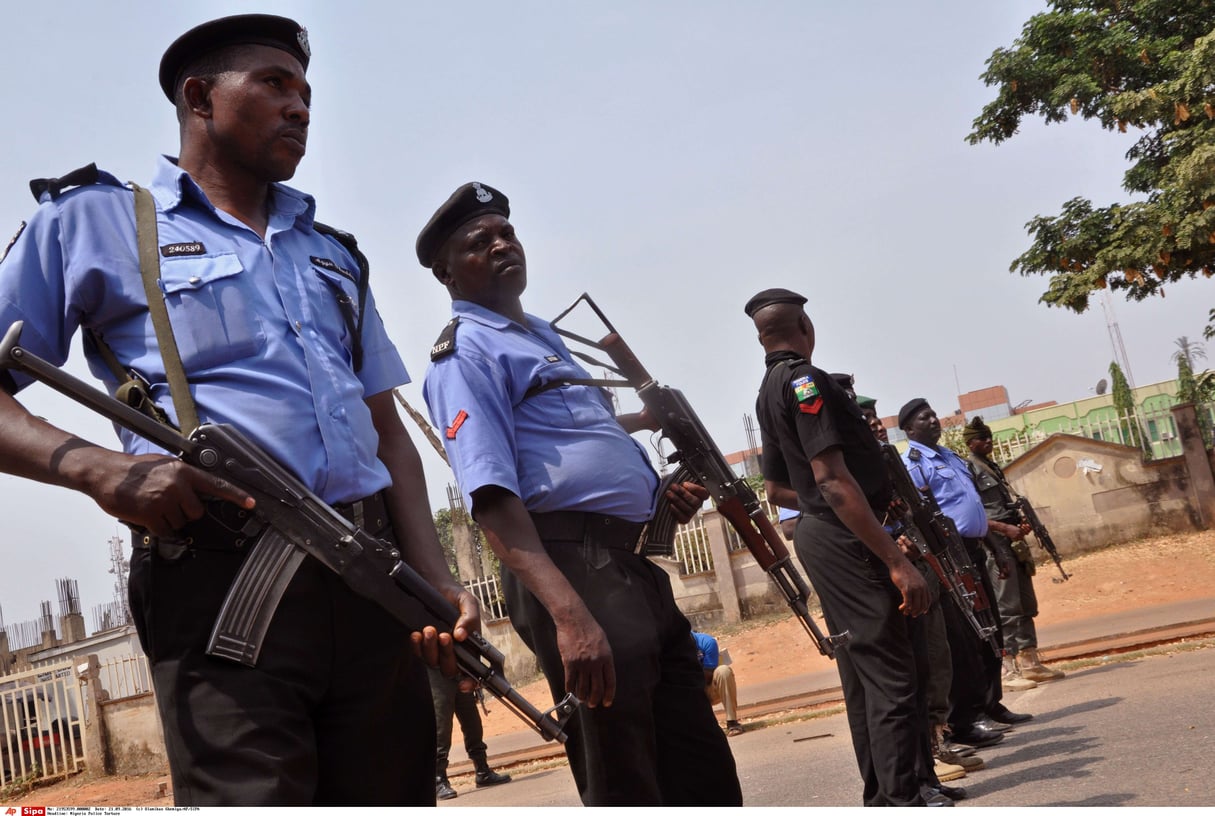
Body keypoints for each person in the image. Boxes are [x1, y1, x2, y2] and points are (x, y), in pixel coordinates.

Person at [0, 15, 478, 805]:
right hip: (220, 573)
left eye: (307, 93)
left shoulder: (330, 250)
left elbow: (386, 432)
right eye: (274, 84)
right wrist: (99, 470)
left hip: (368, 571)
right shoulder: (98, 223)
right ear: (198, 97)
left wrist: (432, 576)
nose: (301, 108)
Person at [418, 182, 742, 806]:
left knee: (701, 770)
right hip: (572, 574)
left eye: (506, 233)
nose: (501, 245)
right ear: (446, 272)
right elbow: (492, 499)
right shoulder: (464, 354)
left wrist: (657, 501)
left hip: (631, 568)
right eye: (478, 243)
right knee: (625, 776)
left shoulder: (543, 335)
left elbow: (569, 439)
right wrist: (571, 618)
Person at [745, 288, 953, 806]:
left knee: (866, 679)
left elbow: (779, 489)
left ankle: (886, 795)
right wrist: (893, 557)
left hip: (828, 533)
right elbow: (834, 481)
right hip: (844, 538)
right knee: (893, 677)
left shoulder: (768, 390)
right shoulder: (806, 381)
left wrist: (844, 513)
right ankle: (902, 799)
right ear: (806, 327)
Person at [898, 399, 1032, 751]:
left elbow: (974, 508)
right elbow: (921, 516)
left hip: (974, 547)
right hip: (949, 553)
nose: (932, 420)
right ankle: (967, 716)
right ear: (909, 430)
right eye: (922, 418)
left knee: (992, 628)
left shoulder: (950, 456)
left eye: (932, 414)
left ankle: (991, 703)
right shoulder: (913, 464)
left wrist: (997, 547)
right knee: (966, 635)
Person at [964, 417, 1066, 686]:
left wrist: (1018, 524)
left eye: (989, 437)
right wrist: (1003, 529)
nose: (988, 442)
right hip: (994, 544)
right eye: (982, 438)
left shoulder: (991, 467)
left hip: (1012, 541)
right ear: (970, 442)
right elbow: (973, 514)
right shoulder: (969, 469)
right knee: (1006, 606)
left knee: (1025, 602)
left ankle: (1030, 661)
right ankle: (1008, 669)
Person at [428, 666, 512, 800]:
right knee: (442, 728)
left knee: (473, 724)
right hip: (435, 670)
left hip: (458, 667)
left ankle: (482, 771)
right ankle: (439, 780)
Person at [692, 631, 743, 736]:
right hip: (685, 692)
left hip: (709, 688)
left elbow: (708, 674)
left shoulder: (706, 642)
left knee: (723, 671)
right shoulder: (669, 649)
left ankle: (732, 722)